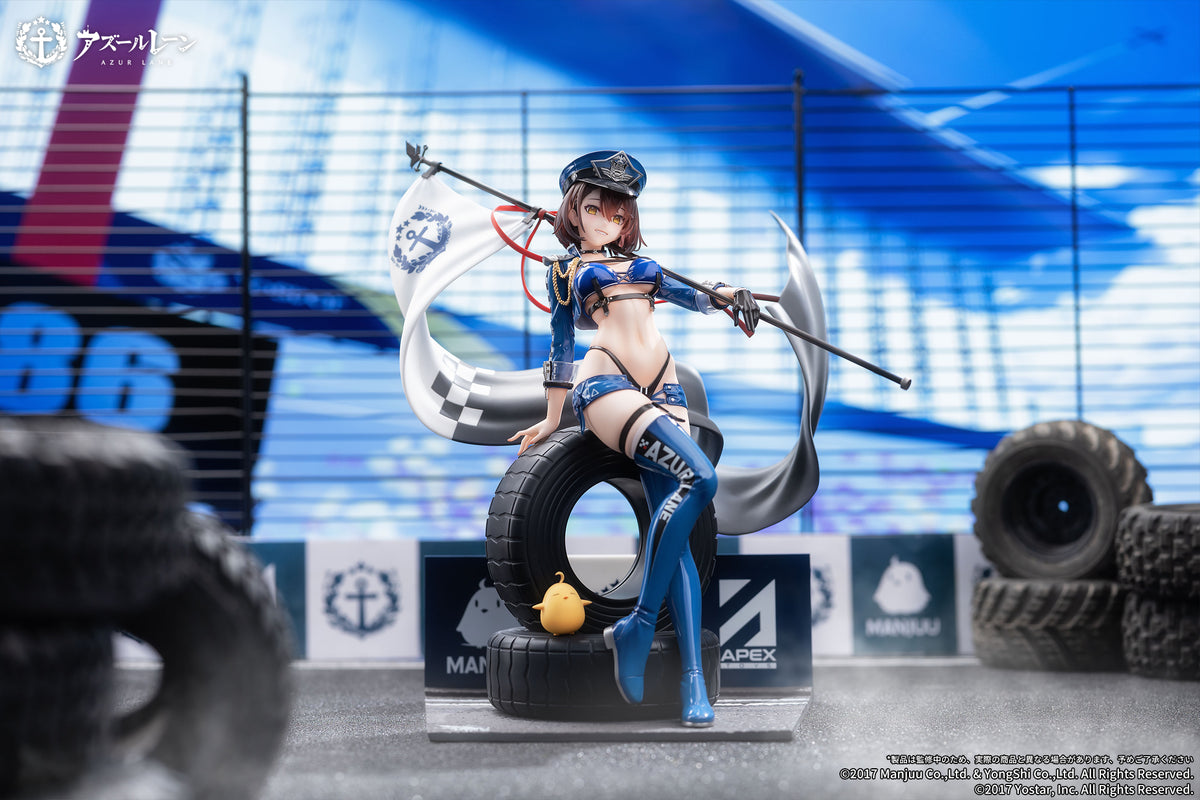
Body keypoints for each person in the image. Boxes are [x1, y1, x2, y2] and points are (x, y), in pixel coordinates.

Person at [509, 150, 759, 727]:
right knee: (701, 478)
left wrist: (730, 296)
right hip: (607, 383)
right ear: (573, 210)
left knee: (673, 532)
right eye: (595, 209)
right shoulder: (566, 271)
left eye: (619, 213)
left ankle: (692, 679)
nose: (608, 220)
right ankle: (641, 625)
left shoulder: (645, 266)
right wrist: (552, 417)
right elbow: (562, 345)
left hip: (664, 385)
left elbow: (697, 295)